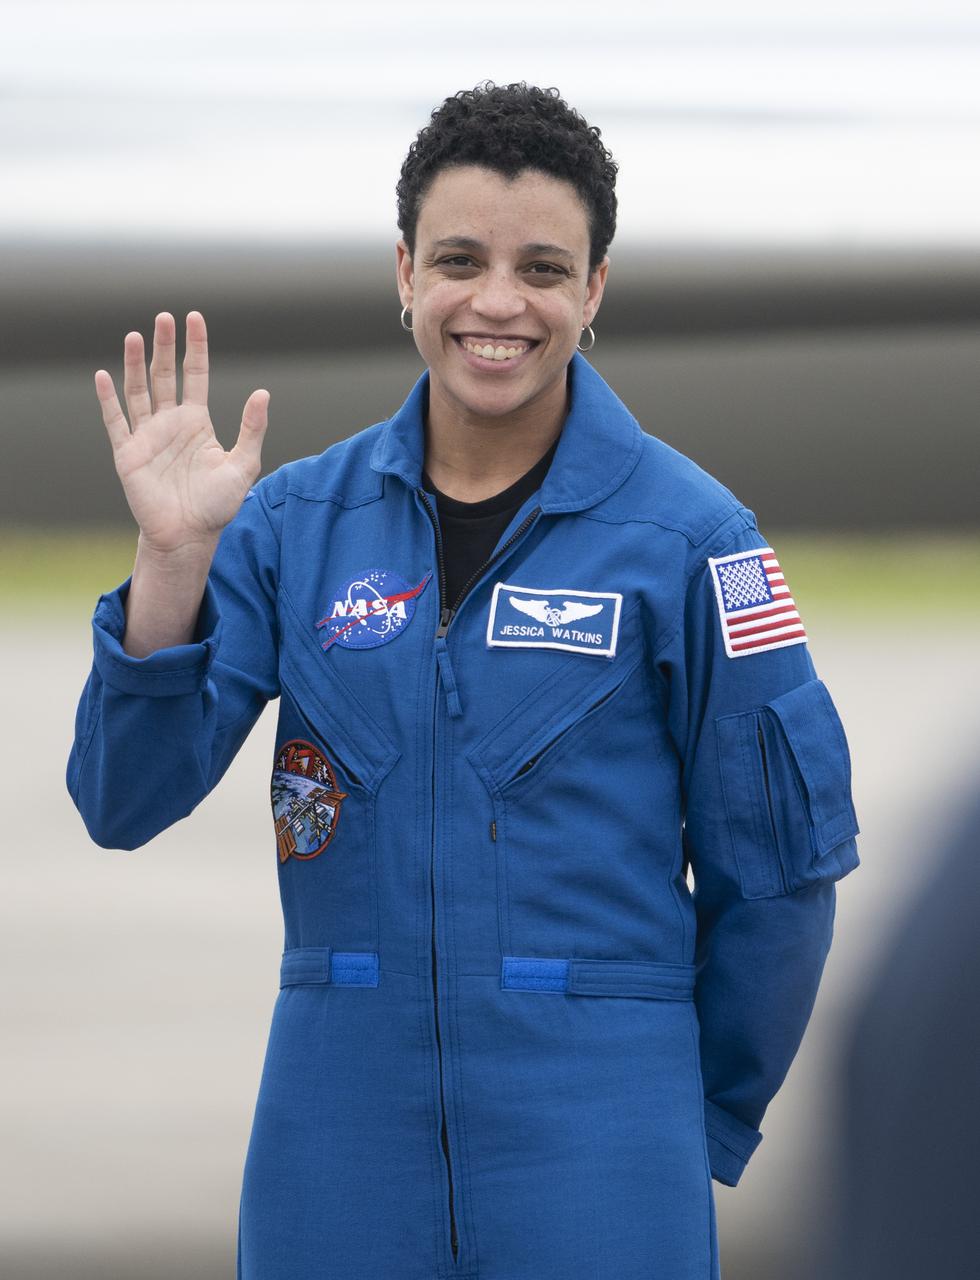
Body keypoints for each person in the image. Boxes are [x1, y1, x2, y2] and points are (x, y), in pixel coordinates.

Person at [66, 82, 860, 1280]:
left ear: (593, 289)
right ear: (403, 273)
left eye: (542, 268)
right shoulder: (291, 526)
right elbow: (122, 799)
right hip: (335, 1141)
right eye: (457, 260)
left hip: (599, 1138)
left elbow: (780, 883)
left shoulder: (696, 541)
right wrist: (173, 561)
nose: (496, 301)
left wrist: (679, 1118)